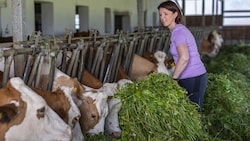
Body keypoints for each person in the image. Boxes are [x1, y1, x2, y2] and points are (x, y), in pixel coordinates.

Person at [157, 0, 208, 112]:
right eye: (160, 14)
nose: (162, 17)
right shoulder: (177, 31)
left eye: (166, 14)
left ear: (175, 14)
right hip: (189, 77)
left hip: (194, 77)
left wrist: (174, 78)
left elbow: (184, 57)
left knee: (194, 113)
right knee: (189, 112)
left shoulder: (178, 32)